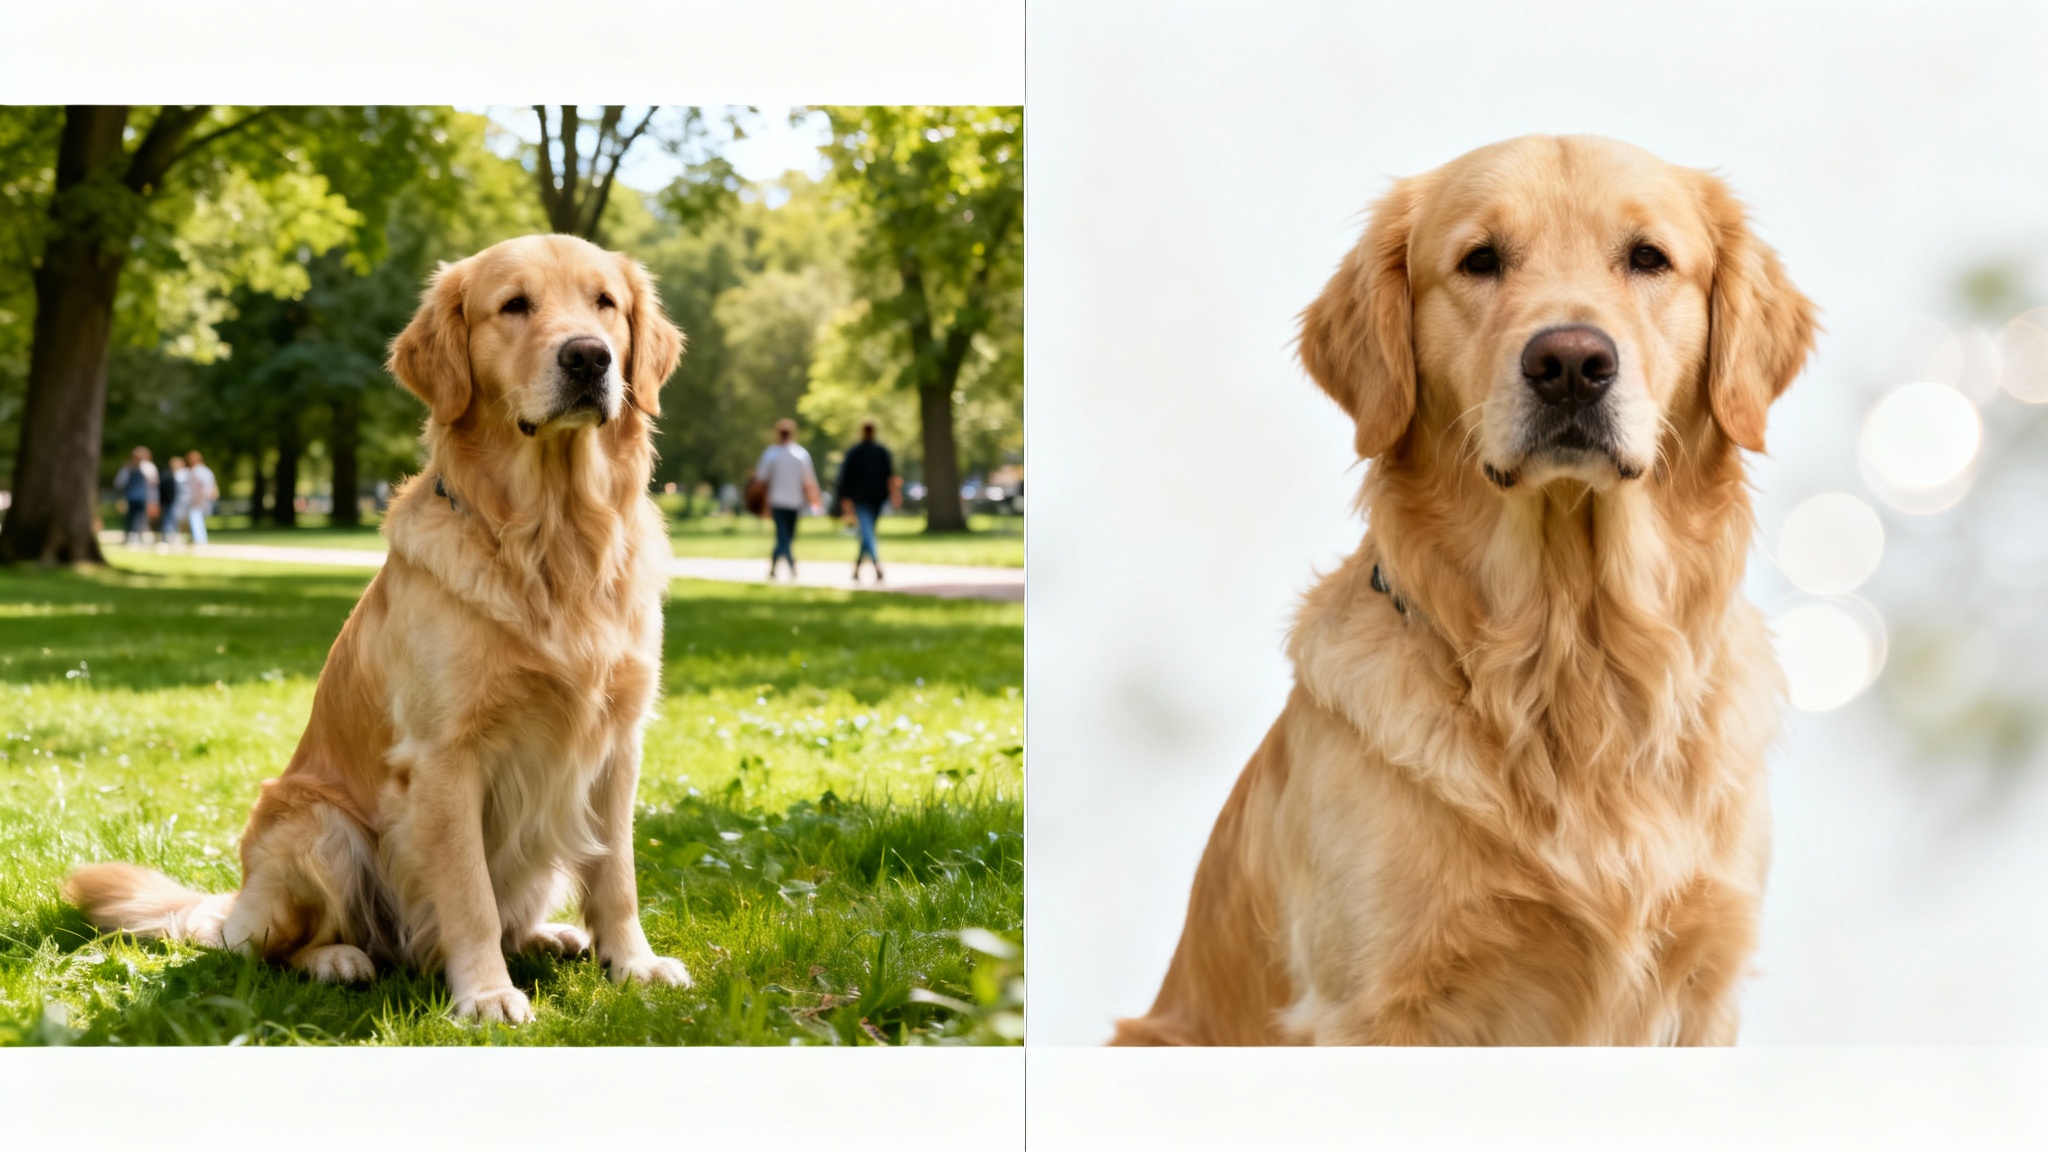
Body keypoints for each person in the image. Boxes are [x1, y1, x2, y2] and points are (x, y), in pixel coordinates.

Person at [833, 420, 904, 582]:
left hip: (874, 499)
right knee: (867, 531)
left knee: (867, 532)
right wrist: (845, 499)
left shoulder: (875, 452)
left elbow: (889, 476)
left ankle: (857, 568)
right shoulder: (865, 452)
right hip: (864, 499)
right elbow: (846, 478)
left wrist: (894, 494)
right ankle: (877, 566)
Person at [752, 418, 820, 579]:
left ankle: (774, 567)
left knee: (784, 537)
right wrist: (815, 500)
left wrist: (759, 503)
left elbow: (761, 482)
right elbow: (809, 482)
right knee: (785, 536)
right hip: (792, 503)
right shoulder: (801, 455)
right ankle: (791, 565)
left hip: (778, 502)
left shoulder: (771, 454)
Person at [110, 447, 158, 547]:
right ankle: (136, 537)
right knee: (138, 517)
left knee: (134, 517)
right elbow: (154, 484)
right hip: (140, 496)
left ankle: (133, 537)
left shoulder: (128, 468)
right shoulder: (148, 468)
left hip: (134, 496)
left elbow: (119, 483)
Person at [184, 450, 217, 545]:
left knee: (195, 517)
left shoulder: (197, 471)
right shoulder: (206, 470)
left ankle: (199, 539)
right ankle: (197, 538)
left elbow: (203, 486)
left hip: (199, 498)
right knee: (197, 518)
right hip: (202, 498)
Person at [161, 454, 191, 547]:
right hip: (171, 501)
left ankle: (175, 537)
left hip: (180, 501)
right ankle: (168, 537)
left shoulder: (183, 475)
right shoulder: (168, 474)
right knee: (169, 519)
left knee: (176, 519)